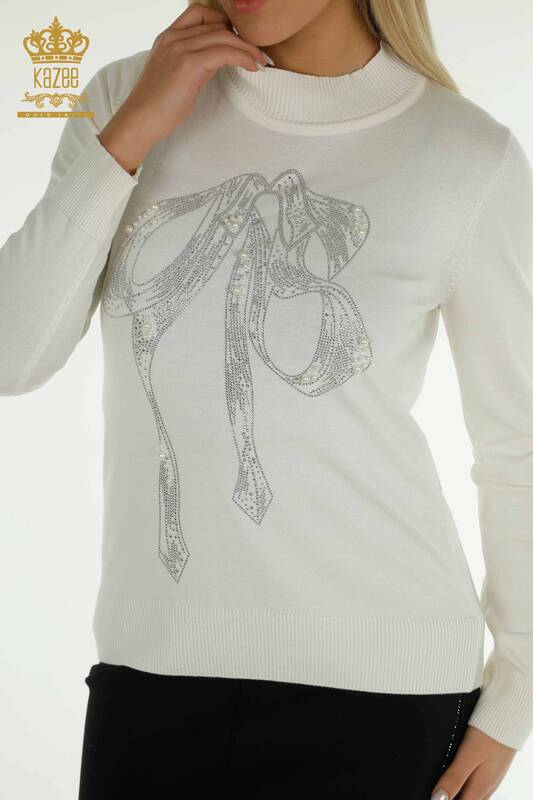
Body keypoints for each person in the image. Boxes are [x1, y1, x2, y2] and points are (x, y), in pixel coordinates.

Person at [0, 1, 532, 797]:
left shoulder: (465, 153)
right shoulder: (124, 97)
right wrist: (135, 129)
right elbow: (13, 357)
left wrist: (516, 694)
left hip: (382, 688)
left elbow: (516, 445)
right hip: (151, 673)